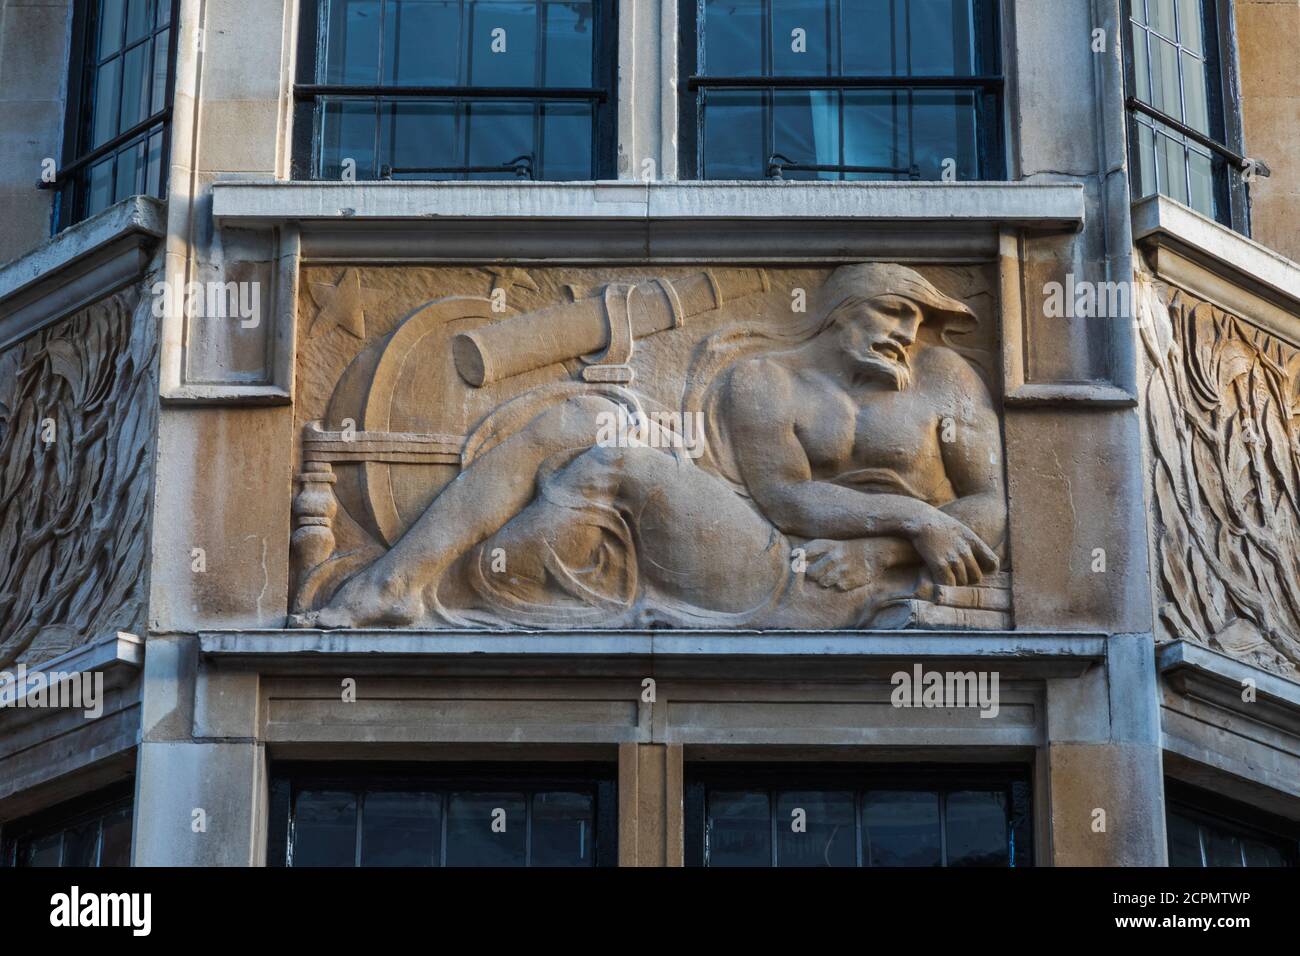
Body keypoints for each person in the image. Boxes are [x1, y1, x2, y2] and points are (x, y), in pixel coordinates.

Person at [298, 263, 1005, 629]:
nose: (907, 334)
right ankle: (398, 580)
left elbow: (993, 506)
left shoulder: (947, 380)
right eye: (895, 311)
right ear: (839, 310)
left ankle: (448, 583)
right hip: (765, 555)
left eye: (918, 322)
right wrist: (914, 519)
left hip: (838, 584)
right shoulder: (764, 381)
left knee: (616, 461)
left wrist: (881, 553)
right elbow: (786, 499)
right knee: (583, 419)